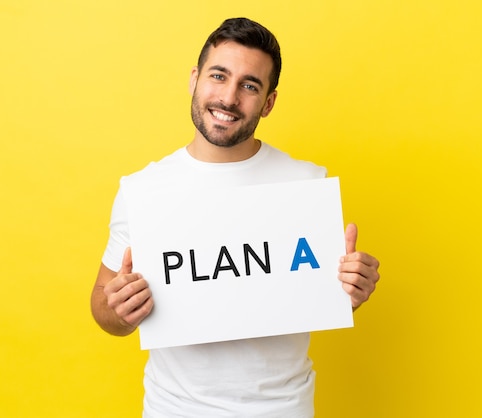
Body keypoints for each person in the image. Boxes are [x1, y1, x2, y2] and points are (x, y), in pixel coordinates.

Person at [91, 17, 381, 417]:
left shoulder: (306, 185)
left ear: (268, 102)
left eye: (249, 85)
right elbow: (103, 309)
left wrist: (353, 289)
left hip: (284, 409)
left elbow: (320, 297)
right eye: (218, 76)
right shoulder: (143, 190)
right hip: (173, 409)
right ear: (194, 78)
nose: (228, 98)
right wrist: (119, 310)